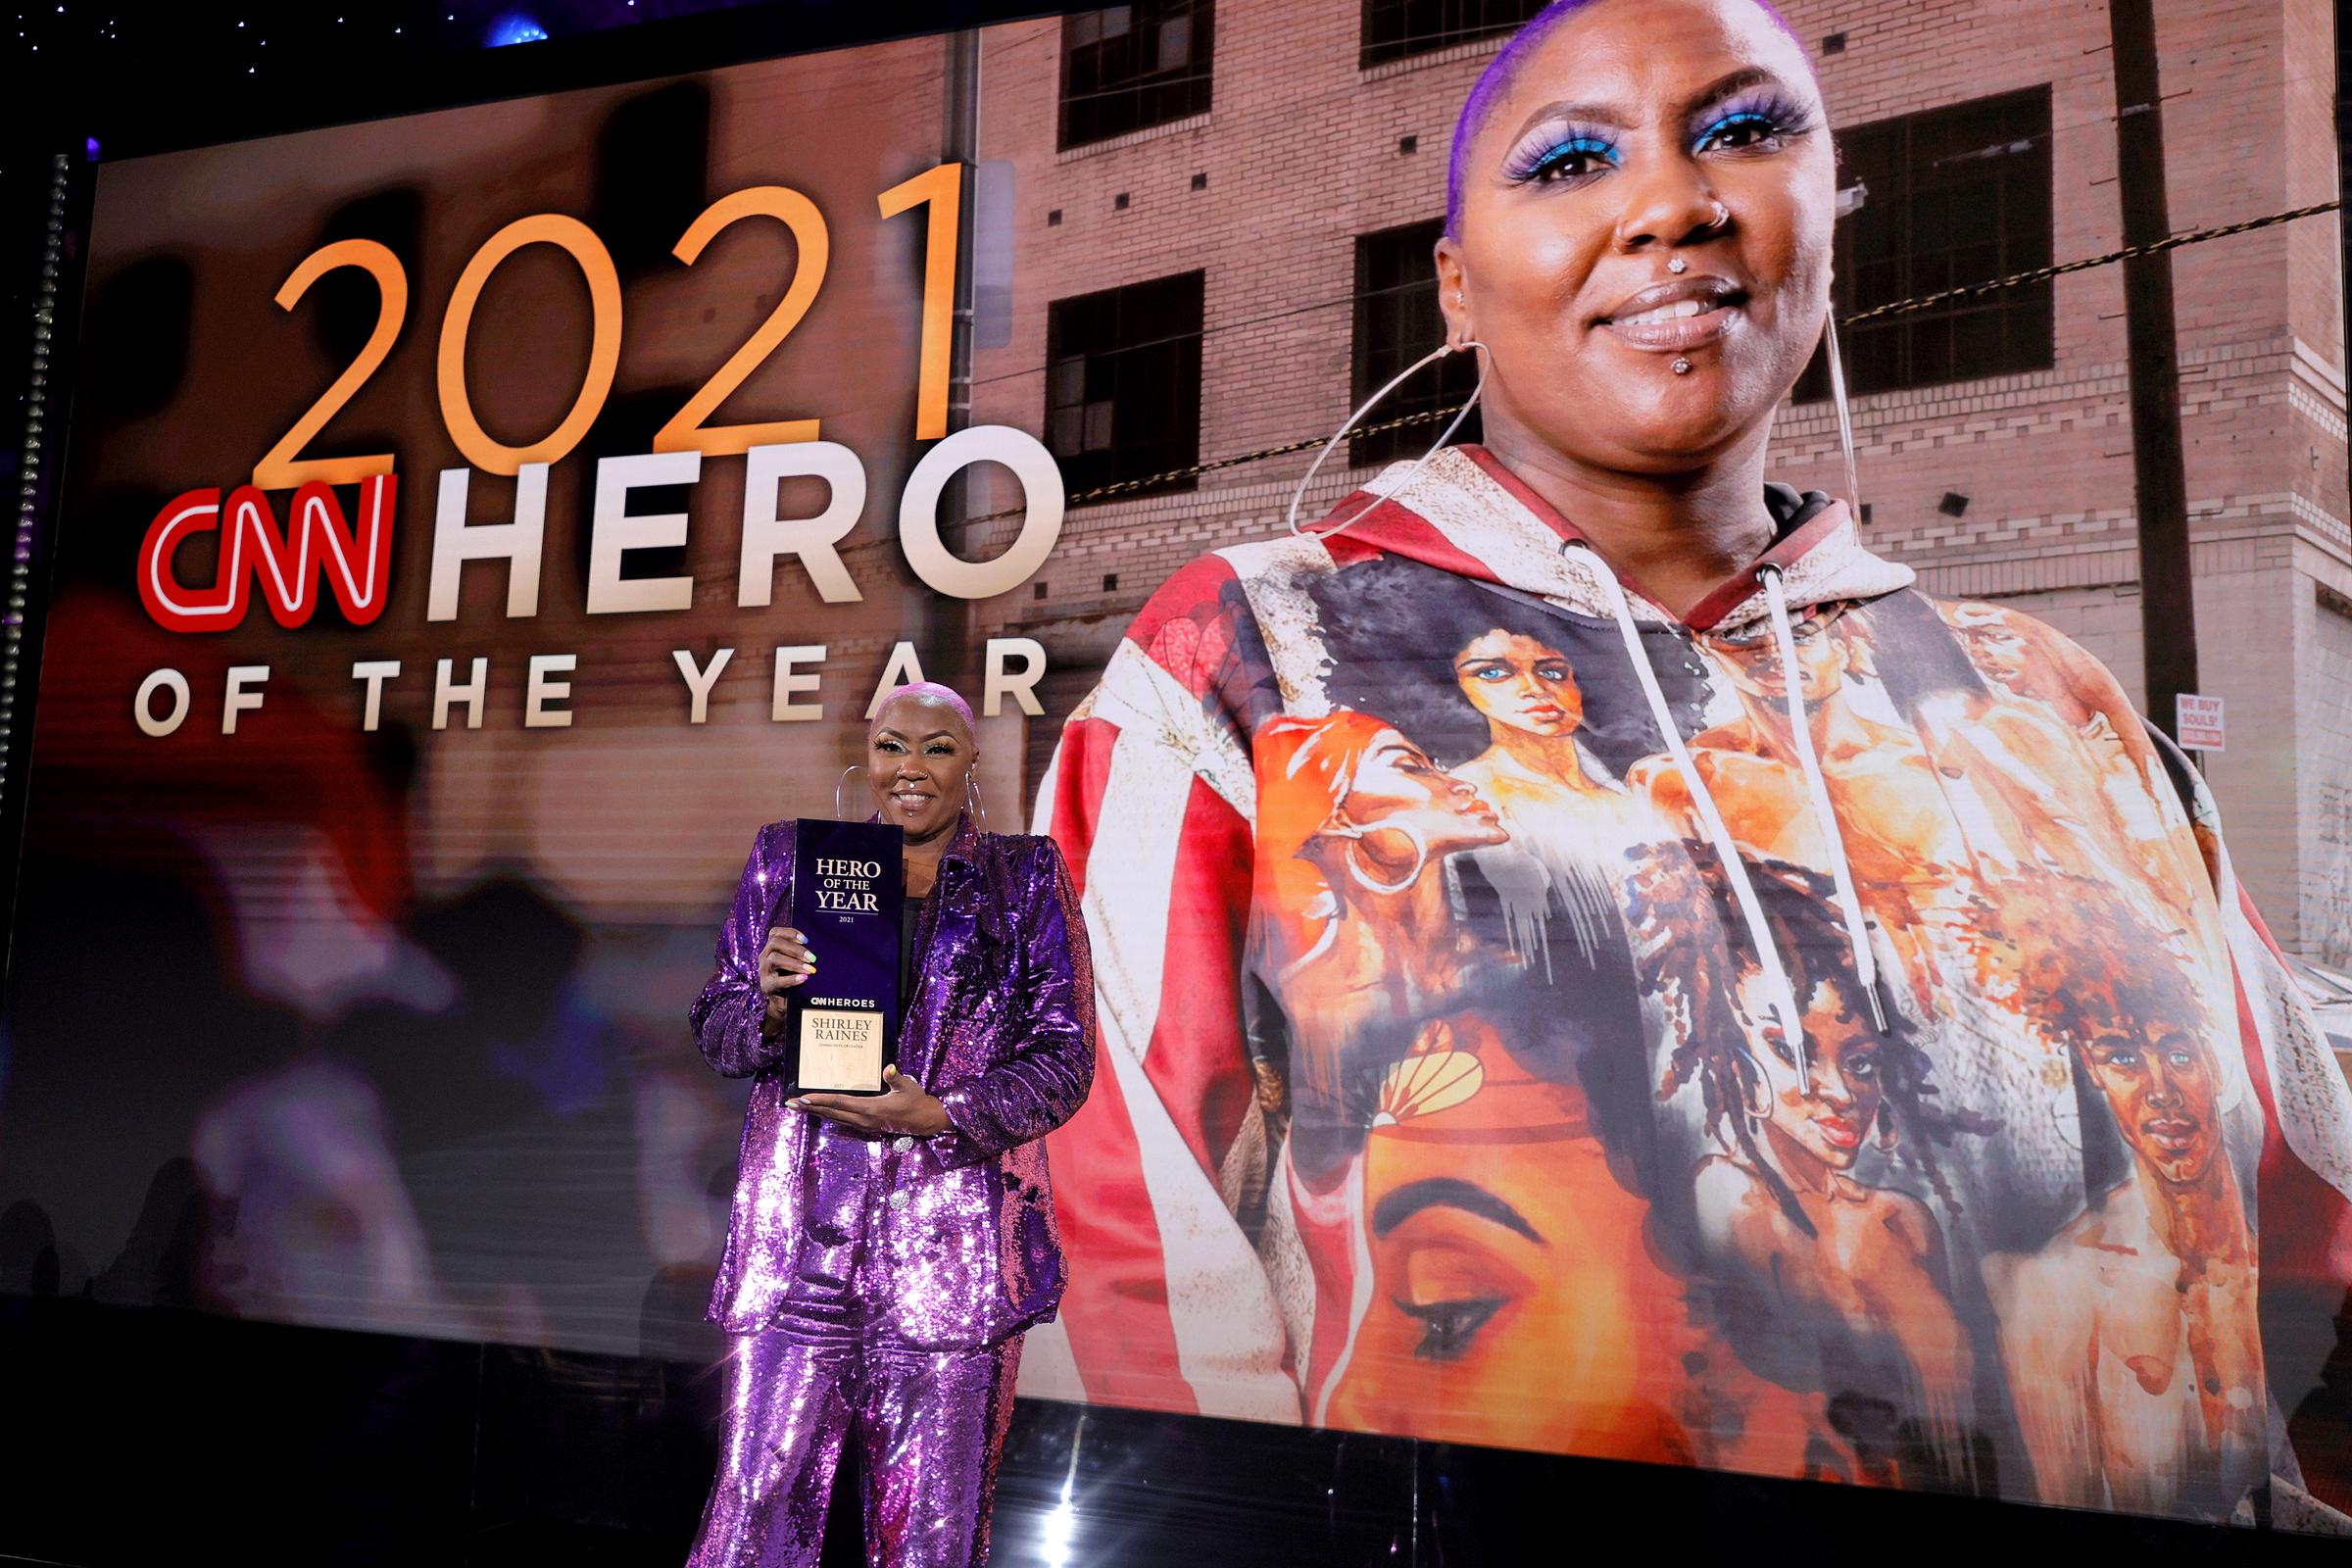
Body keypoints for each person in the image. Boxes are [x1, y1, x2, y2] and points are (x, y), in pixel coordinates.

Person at [1030, 0, 2352, 1524]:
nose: (1673, 204)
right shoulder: (1252, 660)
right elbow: (1120, 1262)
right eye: (1572, 160)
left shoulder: (2046, 701)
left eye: (1744, 131)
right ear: (1454, 285)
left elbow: (2291, 1229)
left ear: (1827, 220)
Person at [686, 681, 1096, 1568]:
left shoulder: (1022, 878)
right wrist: (763, 1005)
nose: (911, 770)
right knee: (754, 1510)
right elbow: (717, 1029)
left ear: (971, 759)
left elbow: (1066, 1057)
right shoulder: (791, 861)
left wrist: (943, 1115)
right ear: (867, 758)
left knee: (933, 1537)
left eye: (937, 748)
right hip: (797, 1243)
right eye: (892, 747)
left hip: (949, 1255)